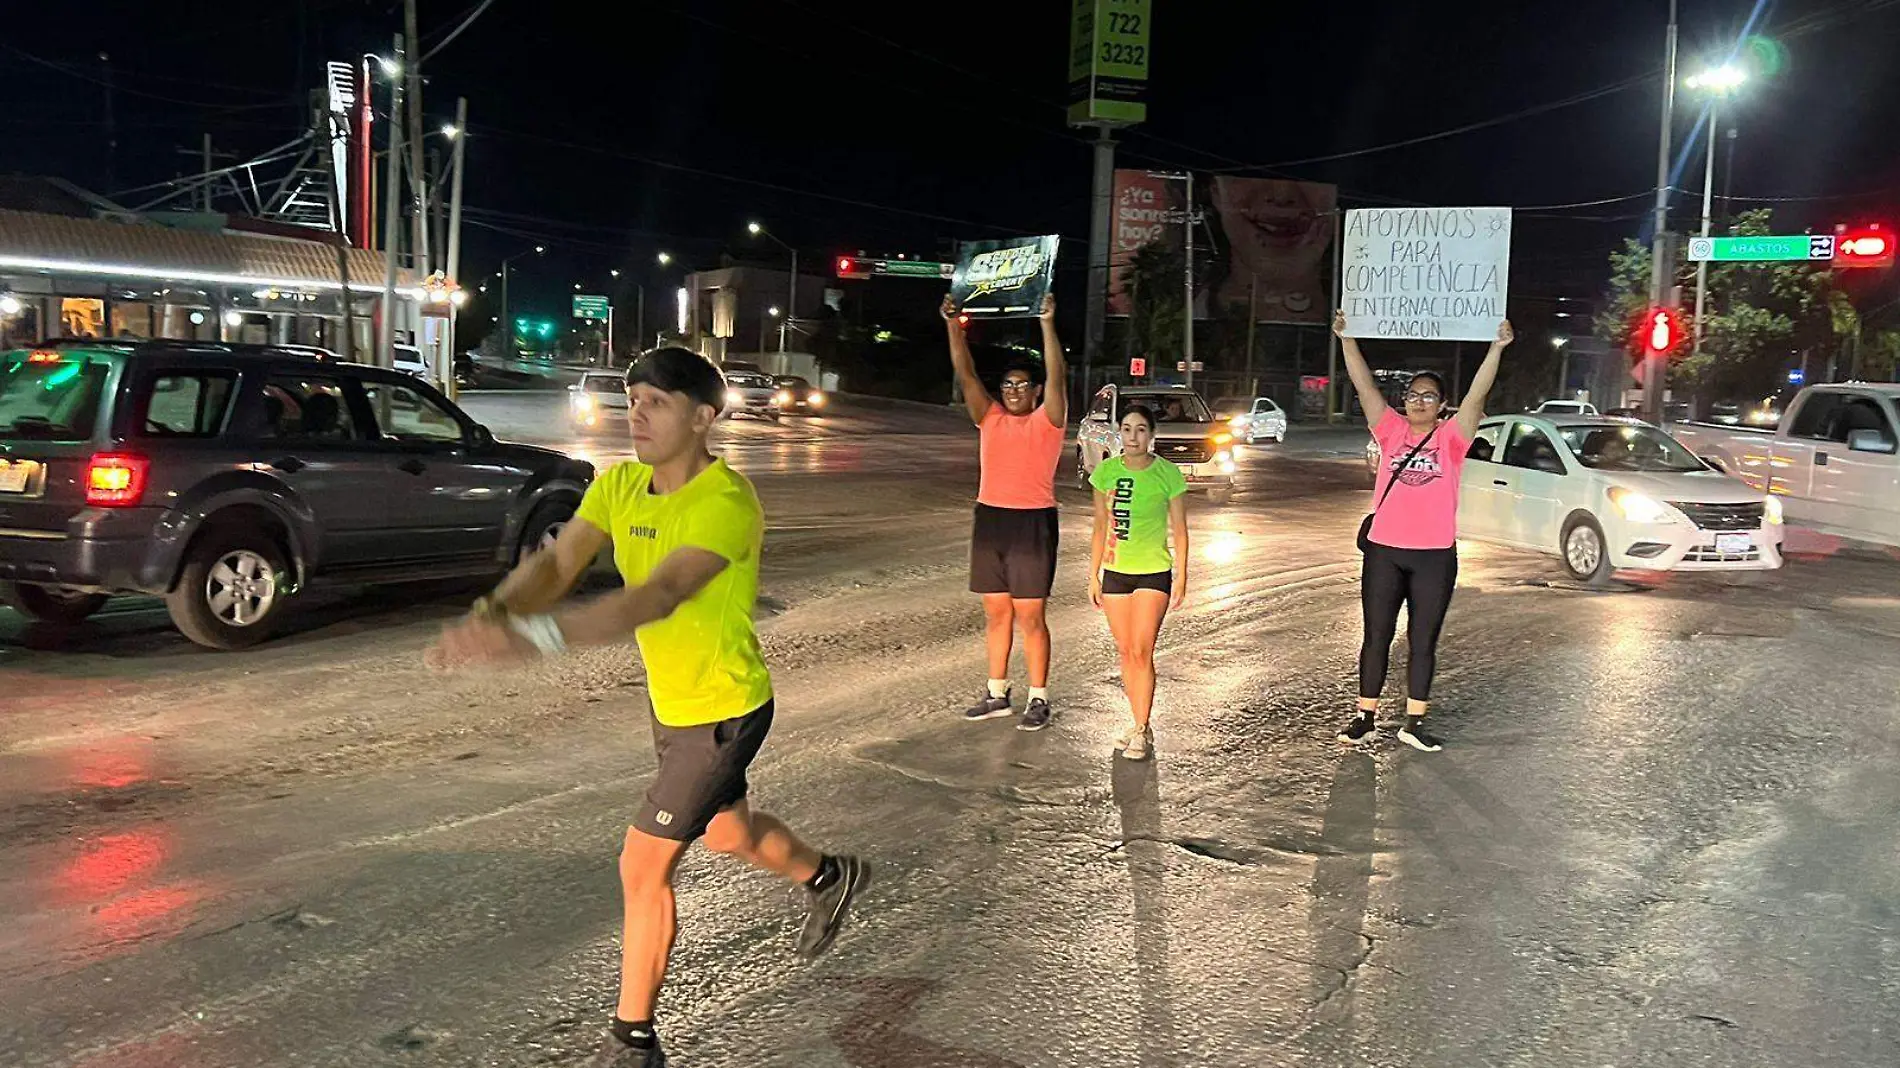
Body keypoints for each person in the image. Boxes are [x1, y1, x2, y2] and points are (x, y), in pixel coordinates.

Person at [426, 347, 867, 1067]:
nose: (637, 413)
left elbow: (651, 599)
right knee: (728, 836)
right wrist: (495, 613)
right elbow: (558, 564)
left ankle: (633, 1041)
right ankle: (828, 876)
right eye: (632, 399)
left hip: (724, 709)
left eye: (656, 402)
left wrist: (532, 638)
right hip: (674, 702)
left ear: (703, 417)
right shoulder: (621, 485)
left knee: (642, 865)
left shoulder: (725, 503)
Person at [1332, 310, 1513, 752]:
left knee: (1422, 640)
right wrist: (1346, 339)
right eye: (1412, 395)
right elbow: (1364, 386)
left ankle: (1413, 722)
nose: (1417, 401)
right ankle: (1365, 716)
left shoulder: (1452, 439)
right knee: (1376, 635)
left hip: (1434, 555)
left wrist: (1497, 348)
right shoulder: (1390, 431)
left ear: (1442, 406)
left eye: (1428, 397)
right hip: (1384, 552)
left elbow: (1476, 395)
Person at [944, 291, 1068, 731]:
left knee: (1031, 616)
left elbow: (1057, 376)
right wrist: (952, 326)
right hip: (991, 520)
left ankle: (1039, 697)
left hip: (1032, 522)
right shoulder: (990, 418)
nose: (1013, 391)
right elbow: (966, 373)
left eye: (1022, 385)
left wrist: (1047, 323)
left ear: (1035, 393)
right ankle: (997, 692)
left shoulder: (1048, 421)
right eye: (1007, 385)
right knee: (997, 613)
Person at [1088, 404, 1189, 760]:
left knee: (1142, 650)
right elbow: (1100, 526)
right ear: (1119, 433)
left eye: (1141, 429)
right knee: (1126, 651)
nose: (1134, 436)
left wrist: (1181, 575)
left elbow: (1180, 529)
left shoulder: (1168, 474)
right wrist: (1094, 574)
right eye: (1127, 429)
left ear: (1152, 435)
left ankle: (1142, 729)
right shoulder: (1105, 473)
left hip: (1153, 572)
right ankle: (1135, 722)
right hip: (1116, 571)